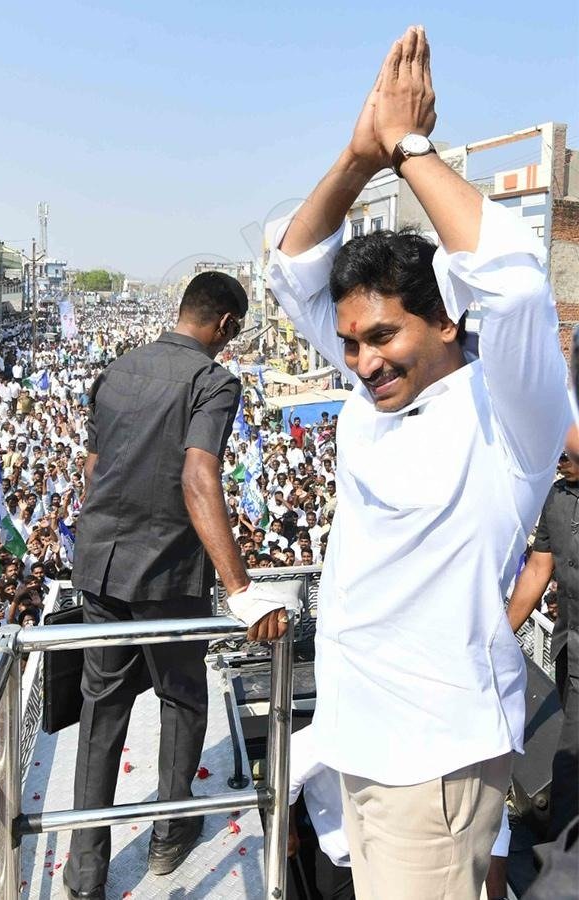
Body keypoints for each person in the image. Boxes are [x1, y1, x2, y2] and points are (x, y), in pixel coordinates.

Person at [266, 26, 569, 899]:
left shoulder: (510, 415)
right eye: (353, 340)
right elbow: (294, 267)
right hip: (360, 742)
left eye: (383, 336)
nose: (362, 361)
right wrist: (357, 157)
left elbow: (513, 276)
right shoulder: (376, 391)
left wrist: (410, 151)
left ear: (445, 321)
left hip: (431, 759)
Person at [63, 271, 290, 900]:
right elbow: (199, 476)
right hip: (169, 571)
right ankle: (169, 835)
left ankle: (84, 871)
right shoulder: (212, 380)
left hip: (103, 566)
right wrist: (239, 586)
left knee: (101, 710)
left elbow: (94, 465)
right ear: (227, 325)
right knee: (183, 698)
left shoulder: (118, 369)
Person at [507, 436, 579, 839]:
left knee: (568, 771)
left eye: (567, 453)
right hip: (570, 648)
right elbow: (537, 570)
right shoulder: (558, 496)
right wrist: (498, 637)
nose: (560, 459)